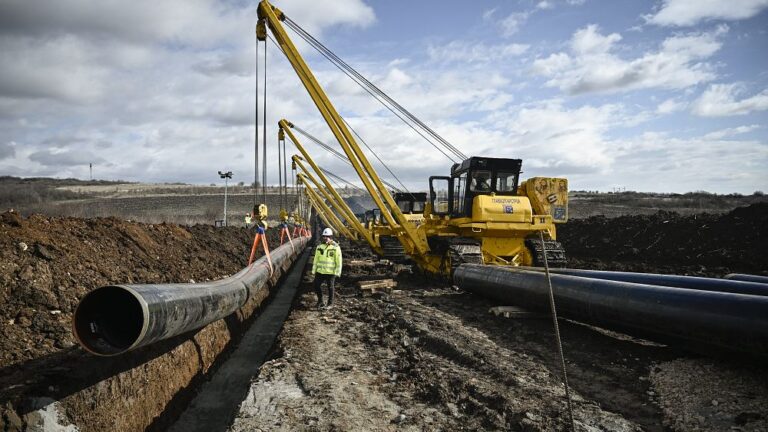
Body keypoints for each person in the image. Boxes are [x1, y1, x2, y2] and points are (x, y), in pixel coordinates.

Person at [312, 227, 342, 309]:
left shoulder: (335, 247)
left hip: (330, 272)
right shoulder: (319, 247)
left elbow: (339, 260)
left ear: (331, 237)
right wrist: (314, 270)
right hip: (320, 271)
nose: (325, 238)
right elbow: (316, 259)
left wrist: (337, 272)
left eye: (327, 236)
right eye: (324, 236)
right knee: (316, 285)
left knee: (330, 288)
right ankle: (320, 301)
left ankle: (330, 303)